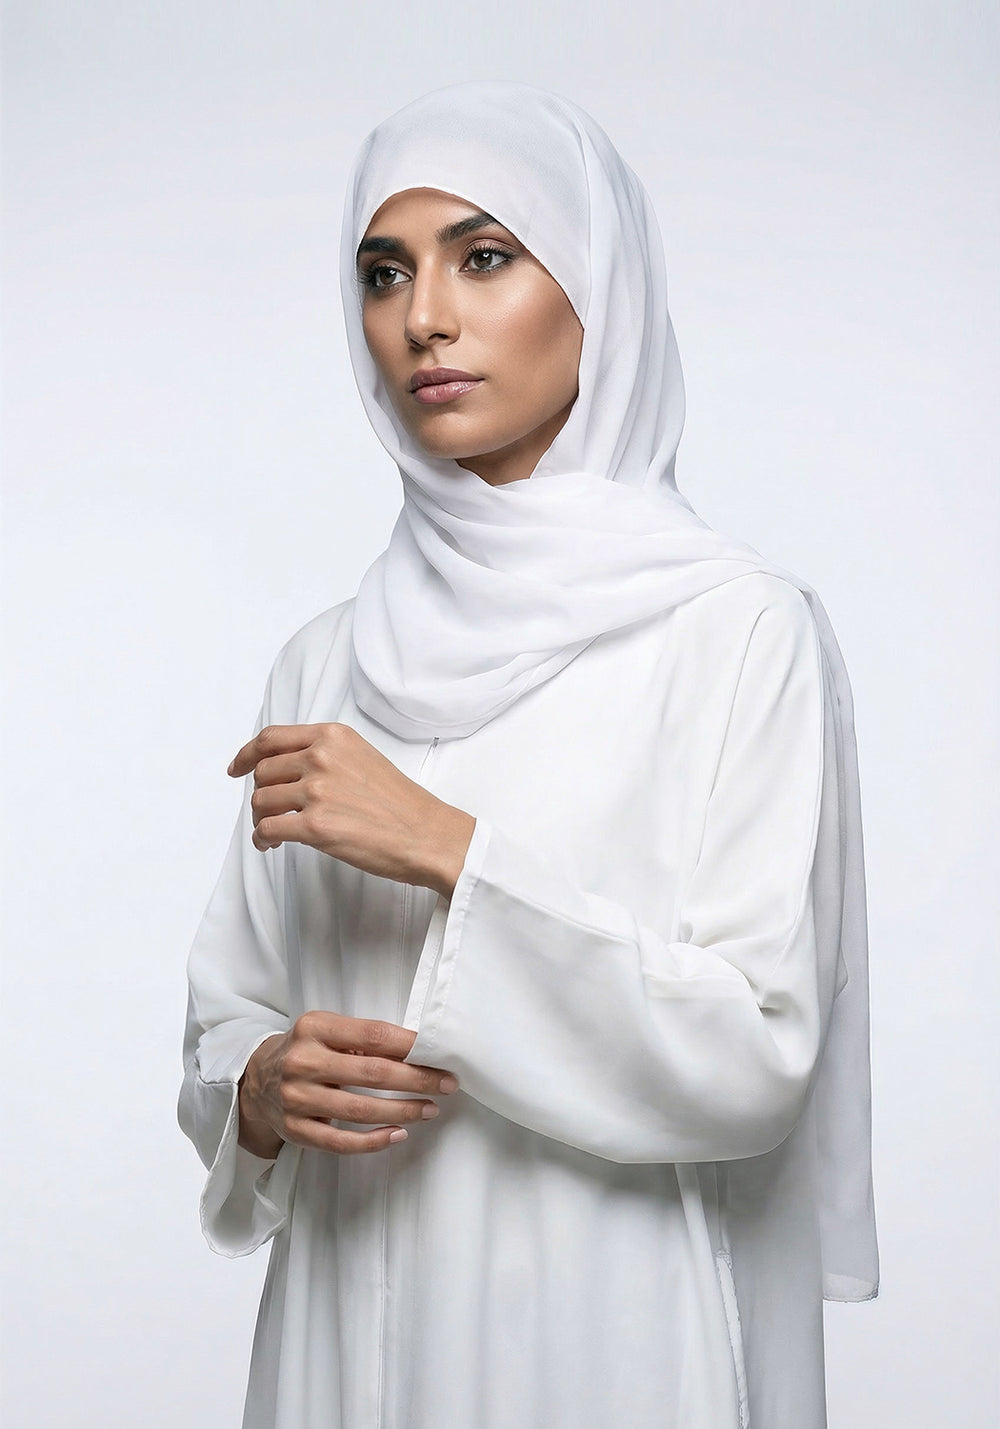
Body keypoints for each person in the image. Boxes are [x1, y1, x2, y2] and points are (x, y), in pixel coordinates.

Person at [178, 80, 878, 1429]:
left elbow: (758, 1053)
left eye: (485, 257)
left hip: (606, 1339)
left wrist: (449, 850)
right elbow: (231, 1004)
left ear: (599, 291)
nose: (422, 319)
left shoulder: (735, 631)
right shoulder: (326, 659)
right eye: (385, 273)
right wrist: (258, 1084)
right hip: (342, 1333)